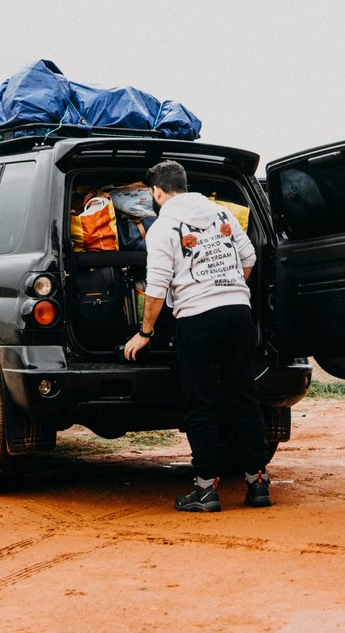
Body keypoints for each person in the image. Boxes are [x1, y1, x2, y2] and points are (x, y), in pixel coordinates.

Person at [124, 159, 271, 513]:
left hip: (198, 319)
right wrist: (228, 287)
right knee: (244, 398)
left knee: (201, 403)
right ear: (184, 184)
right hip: (239, 313)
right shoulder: (221, 213)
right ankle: (257, 485)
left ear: (157, 191)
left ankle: (205, 490)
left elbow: (157, 288)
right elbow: (248, 257)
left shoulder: (162, 227)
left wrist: (145, 333)